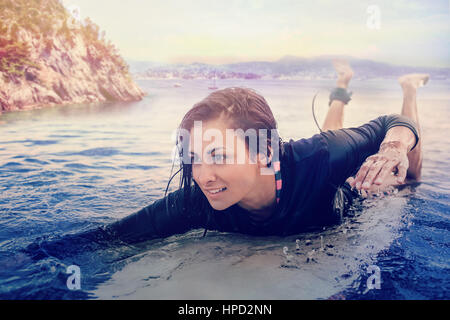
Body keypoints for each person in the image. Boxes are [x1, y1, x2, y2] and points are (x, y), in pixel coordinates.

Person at [26, 61, 429, 258]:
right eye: (196, 157)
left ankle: (409, 87)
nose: (203, 174)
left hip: (340, 181)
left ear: (265, 152)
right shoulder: (197, 200)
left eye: (218, 155)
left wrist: (393, 148)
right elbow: (109, 237)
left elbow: (393, 123)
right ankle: (342, 85)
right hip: (322, 154)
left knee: (410, 174)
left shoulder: (318, 159)